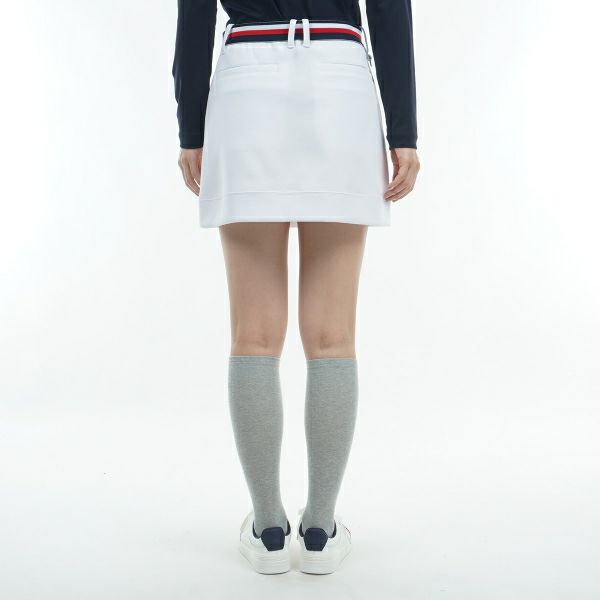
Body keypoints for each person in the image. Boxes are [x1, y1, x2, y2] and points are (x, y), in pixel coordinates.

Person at [172, 0, 420, 575]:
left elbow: (193, 15)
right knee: (332, 335)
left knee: (254, 335)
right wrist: (403, 129)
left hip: (246, 83)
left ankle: (267, 530)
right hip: (339, 79)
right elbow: (389, 9)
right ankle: (320, 531)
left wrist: (191, 128)